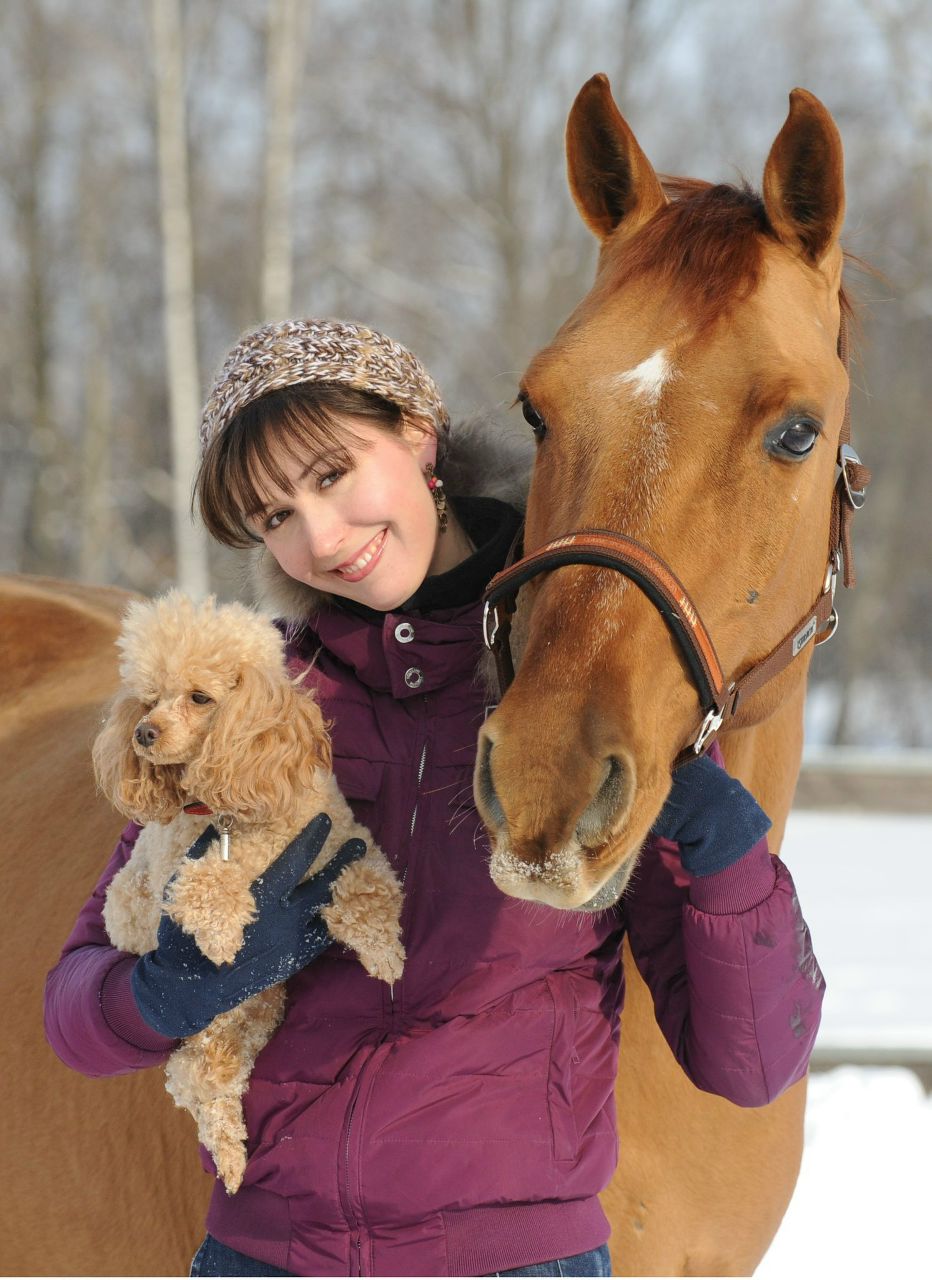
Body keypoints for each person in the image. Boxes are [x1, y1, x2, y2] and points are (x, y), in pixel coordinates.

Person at [45, 319, 825, 1279]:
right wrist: (171, 989)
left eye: (333, 474)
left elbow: (750, 1064)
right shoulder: (255, 708)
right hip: (265, 1258)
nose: (320, 538)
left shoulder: (579, 702)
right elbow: (74, 1013)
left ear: (419, 436)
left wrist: (732, 860)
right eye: (274, 516)